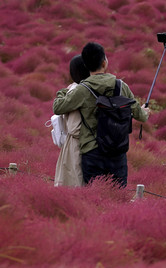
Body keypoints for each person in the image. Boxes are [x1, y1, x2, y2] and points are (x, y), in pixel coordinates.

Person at [52, 42, 150, 187]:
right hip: (117, 153)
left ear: (86, 65)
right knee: (117, 199)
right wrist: (145, 111)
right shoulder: (121, 86)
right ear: (104, 62)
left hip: (92, 153)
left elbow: (57, 107)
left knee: (94, 199)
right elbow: (140, 116)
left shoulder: (82, 90)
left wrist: (64, 92)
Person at [54, 55, 90, 187]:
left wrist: (63, 92)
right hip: (89, 142)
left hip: (75, 143)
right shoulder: (93, 89)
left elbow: (58, 108)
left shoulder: (76, 90)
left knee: (72, 181)